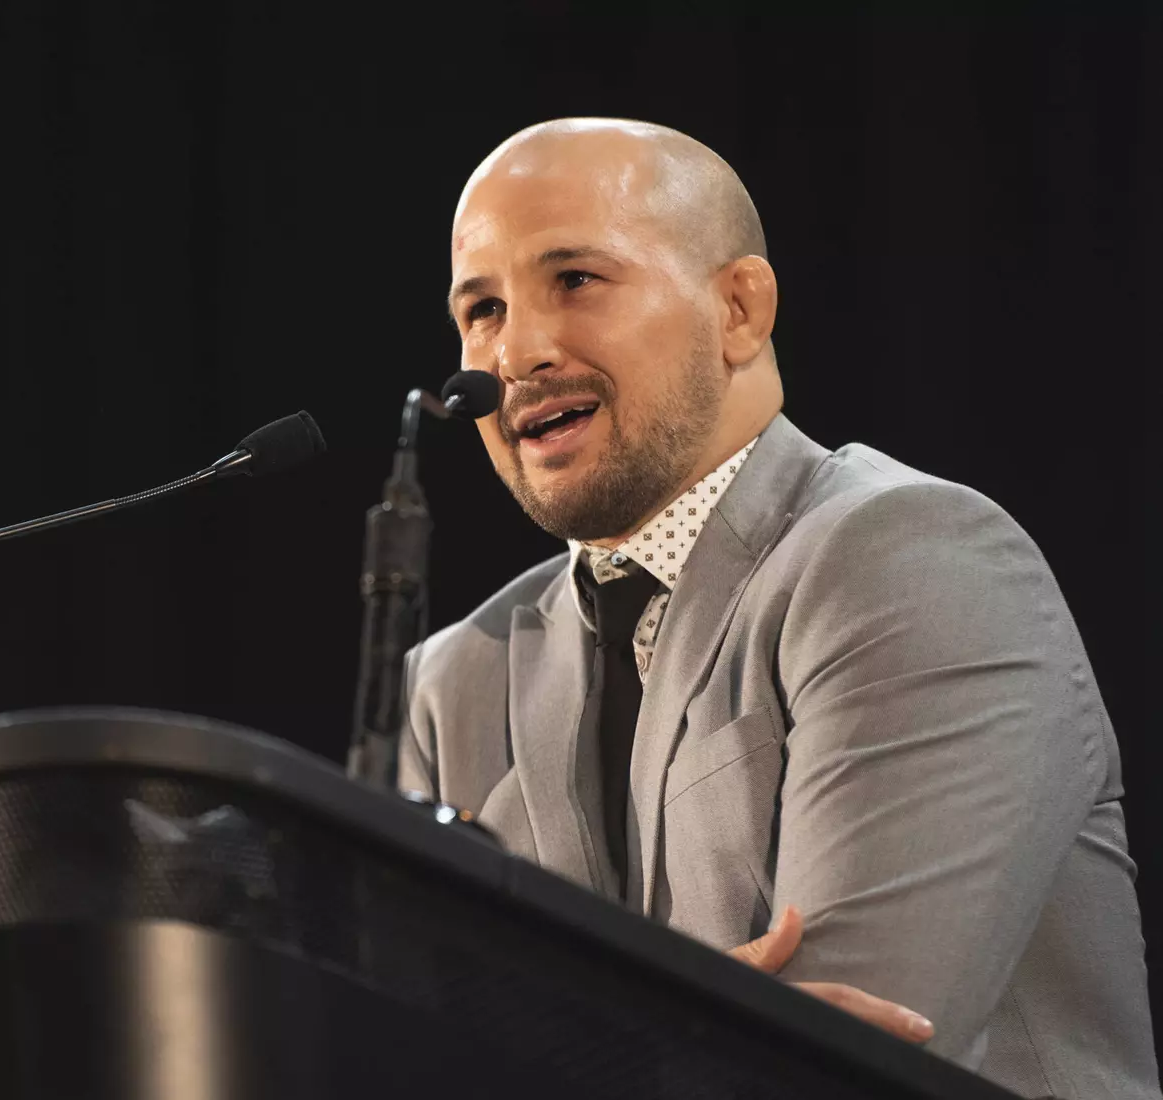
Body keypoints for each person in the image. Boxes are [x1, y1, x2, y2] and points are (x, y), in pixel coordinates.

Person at [401, 117, 1158, 1097]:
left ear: (739, 308)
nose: (518, 352)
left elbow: (837, 1064)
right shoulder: (455, 680)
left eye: (576, 279)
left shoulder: (909, 557)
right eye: (484, 309)